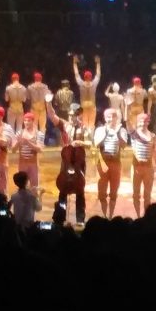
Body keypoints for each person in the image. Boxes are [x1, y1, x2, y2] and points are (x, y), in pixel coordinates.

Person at [46, 94, 91, 226]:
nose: (71, 117)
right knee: (63, 190)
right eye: (70, 115)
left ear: (79, 115)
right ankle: (61, 216)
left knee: (80, 190)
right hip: (66, 161)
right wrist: (48, 103)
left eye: (74, 115)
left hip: (79, 162)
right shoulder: (64, 125)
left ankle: (80, 219)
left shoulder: (84, 128)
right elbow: (52, 116)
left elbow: (90, 143)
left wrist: (80, 142)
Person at [93, 108, 128, 218]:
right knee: (102, 192)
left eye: (113, 116)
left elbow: (124, 145)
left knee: (114, 192)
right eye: (108, 117)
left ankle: (110, 216)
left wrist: (117, 133)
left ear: (117, 118)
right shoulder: (100, 130)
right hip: (103, 163)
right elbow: (96, 144)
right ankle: (104, 215)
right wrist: (106, 132)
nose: (111, 119)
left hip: (115, 163)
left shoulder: (121, 130)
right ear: (105, 118)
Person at [129, 113, 156, 218]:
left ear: (148, 122)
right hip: (136, 167)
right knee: (136, 194)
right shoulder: (134, 134)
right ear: (137, 122)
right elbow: (127, 122)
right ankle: (137, 216)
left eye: (145, 121)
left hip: (148, 167)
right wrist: (126, 108)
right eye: (140, 121)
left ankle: (146, 217)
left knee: (147, 195)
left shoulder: (153, 136)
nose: (142, 124)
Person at [12, 112, 44, 189]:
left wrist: (28, 143)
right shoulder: (19, 133)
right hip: (22, 164)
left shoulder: (38, 134)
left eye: (28, 121)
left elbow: (40, 149)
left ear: (33, 121)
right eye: (25, 120)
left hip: (33, 164)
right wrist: (18, 142)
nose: (26, 122)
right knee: (22, 186)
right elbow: (13, 150)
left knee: (34, 186)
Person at [73, 54, 101, 132]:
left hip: (83, 105)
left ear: (84, 77)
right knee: (91, 125)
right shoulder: (94, 84)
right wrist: (98, 63)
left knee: (84, 125)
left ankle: (85, 137)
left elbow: (76, 74)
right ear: (91, 77)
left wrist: (74, 63)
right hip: (92, 105)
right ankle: (90, 136)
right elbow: (98, 75)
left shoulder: (81, 84)